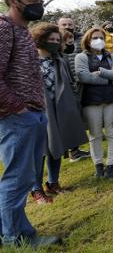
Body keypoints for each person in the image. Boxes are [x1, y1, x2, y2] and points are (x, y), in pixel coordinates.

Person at [0, 0, 61, 247]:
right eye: (33, 0)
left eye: (41, 0)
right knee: (18, 177)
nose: (39, 5)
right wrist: (18, 107)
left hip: (33, 114)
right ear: (14, 2)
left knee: (25, 175)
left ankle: (9, 231)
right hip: (17, 117)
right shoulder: (4, 29)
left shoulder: (23, 31)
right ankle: (17, 237)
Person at [29, 23, 88, 204]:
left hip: (60, 110)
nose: (54, 42)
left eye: (57, 40)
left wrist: (74, 103)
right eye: (50, 39)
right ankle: (36, 189)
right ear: (40, 39)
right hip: (37, 111)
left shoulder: (59, 60)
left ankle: (53, 183)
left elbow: (69, 83)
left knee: (57, 147)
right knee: (39, 152)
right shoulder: (29, 61)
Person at [75, 27, 113, 179]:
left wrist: (102, 72)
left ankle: (112, 165)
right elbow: (84, 77)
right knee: (95, 134)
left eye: (101, 38)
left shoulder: (111, 57)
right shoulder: (81, 57)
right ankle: (98, 165)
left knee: (112, 132)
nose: (99, 41)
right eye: (95, 38)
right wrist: (108, 79)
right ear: (88, 41)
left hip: (111, 100)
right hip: (91, 102)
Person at [60, 29, 91, 163]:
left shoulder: (63, 57)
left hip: (73, 89)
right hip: (64, 95)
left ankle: (74, 151)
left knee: (74, 121)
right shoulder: (58, 58)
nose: (70, 45)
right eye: (67, 42)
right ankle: (71, 152)